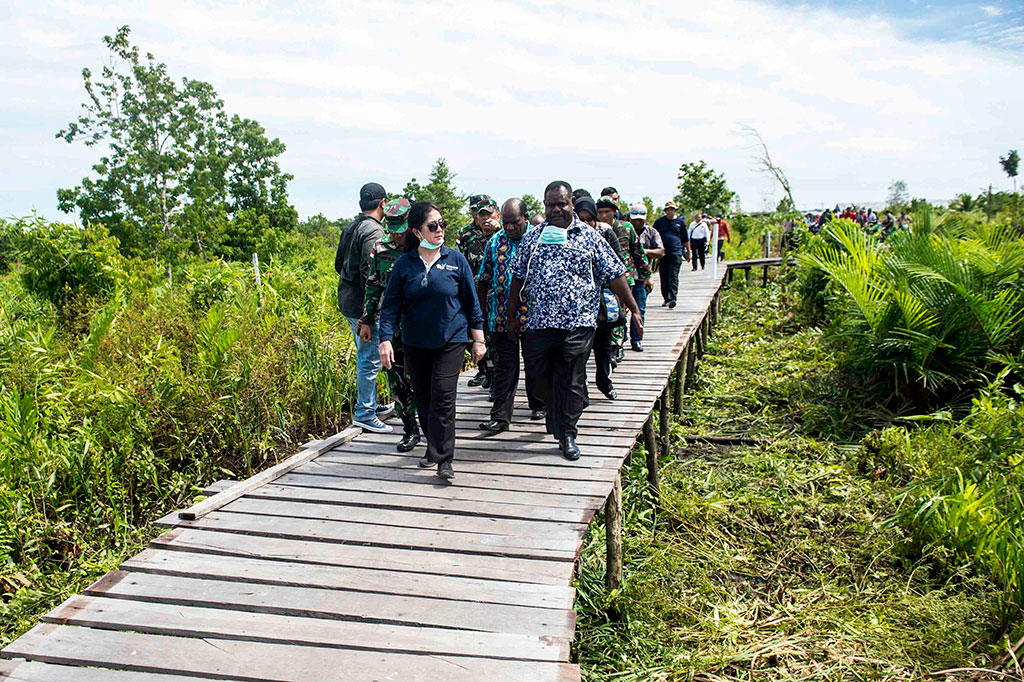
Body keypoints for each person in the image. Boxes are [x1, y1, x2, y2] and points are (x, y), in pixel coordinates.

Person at [509, 181, 642, 460]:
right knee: (537, 377)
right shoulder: (533, 239)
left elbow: (615, 274)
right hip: (539, 323)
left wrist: (635, 309)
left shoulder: (590, 237)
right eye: (550, 205)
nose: (556, 209)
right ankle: (555, 411)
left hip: (578, 321)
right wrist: (511, 315)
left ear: (571, 203)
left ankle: (568, 433)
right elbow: (518, 277)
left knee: (570, 375)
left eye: (561, 204)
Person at [379, 202, 485, 481]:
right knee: (424, 401)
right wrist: (385, 340)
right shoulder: (404, 265)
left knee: (442, 397)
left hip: (451, 339)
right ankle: (433, 447)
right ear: (417, 231)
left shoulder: (456, 260)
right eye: (433, 226)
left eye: (442, 224)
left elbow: (471, 303)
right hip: (416, 342)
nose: (440, 230)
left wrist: (479, 340)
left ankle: (444, 459)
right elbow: (390, 307)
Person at [476, 198, 545, 432]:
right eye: (505, 223)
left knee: (535, 363)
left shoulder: (540, 240)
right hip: (501, 314)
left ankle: (539, 404)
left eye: (514, 222)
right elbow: (483, 279)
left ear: (525, 217)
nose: (510, 227)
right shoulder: (495, 242)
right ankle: (500, 417)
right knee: (505, 366)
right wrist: (481, 313)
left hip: (533, 315)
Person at [359, 198, 421, 452]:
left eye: (401, 231)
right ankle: (410, 429)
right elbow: (373, 285)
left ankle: (432, 426)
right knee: (397, 380)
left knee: (422, 378)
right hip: (391, 327)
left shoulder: (425, 246)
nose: (397, 236)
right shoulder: (380, 248)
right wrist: (366, 320)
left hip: (422, 326)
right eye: (393, 231)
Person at [335, 182, 393, 433]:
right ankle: (365, 413)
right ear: (383, 203)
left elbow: (338, 264)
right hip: (363, 307)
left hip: (348, 302)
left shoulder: (351, 227)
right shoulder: (374, 231)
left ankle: (369, 404)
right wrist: (368, 315)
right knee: (369, 359)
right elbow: (370, 273)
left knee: (368, 356)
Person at [576, 196, 626, 401]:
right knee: (579, 350)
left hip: (602, 300)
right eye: (581, 219)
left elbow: (619, 265)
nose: (585, 223)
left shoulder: (605, 233)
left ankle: (605, 382)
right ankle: (581, 390)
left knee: (603, 347)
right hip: (577, 304)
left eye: (589, 219)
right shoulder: (568, 236)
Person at [596, 196, 649, 364]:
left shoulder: (626, 228)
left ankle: (617, 345)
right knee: (608, 312)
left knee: (620, 311)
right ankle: (611, 344)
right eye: (600, 212)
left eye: (607, 211)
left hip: (624, 279)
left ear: (614, 212)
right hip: (602, 280)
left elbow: (638, 252)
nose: (603, 215)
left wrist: (646, 276)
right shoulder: (596, 230)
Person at [456, 196, 498, 389]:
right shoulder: (467, 234)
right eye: (480, 214)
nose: (484, 218)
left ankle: (495, 378)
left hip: (497, 296)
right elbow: (459, 260)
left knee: (494, 338)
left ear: (496, 214)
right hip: (474, 294)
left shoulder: (502, 235)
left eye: (488, 214)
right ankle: (485, 371)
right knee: (473, 335)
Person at [628, 203, 662, 352]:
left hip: (642, 277)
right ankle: (618, 342)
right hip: (624, 277)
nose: (638, 222)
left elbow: (661, 252)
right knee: (620, 311)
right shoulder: (623, 230)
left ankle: (636, 340)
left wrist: (642, 251)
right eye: (635, 219)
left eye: (640, 219)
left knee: (639, 309)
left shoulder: (651, 232)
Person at [653, 201, 686, 309]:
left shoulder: (680, 222)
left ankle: (672, 298)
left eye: (672, 209)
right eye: (668, 209)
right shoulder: (659, 222)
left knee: (673, 275)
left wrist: (689, 252)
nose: (670, 211)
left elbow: (685, 238)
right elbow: (653, 236)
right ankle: (666, 298)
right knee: (664, 276)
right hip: (662, 253)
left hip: (676, 252)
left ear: (675, 210)